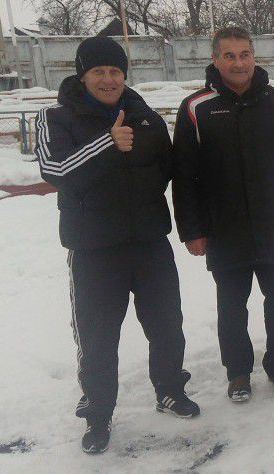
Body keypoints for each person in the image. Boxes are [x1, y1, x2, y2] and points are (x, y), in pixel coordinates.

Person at [35, 36, 199, 455]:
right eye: (98, 72)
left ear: (124, 75)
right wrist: (106, 143)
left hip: (148, 244)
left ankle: (168, 389)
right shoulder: (56, 116)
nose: (108, 79)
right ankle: (98, 413)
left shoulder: (147, 118)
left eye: (114, 72)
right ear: (82, 75)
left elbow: (168, 171)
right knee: (98, 337)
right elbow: (54, 169)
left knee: (166, 324)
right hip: (94, 251)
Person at [172, 27, 274, 403]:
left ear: (254, 57)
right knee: (231, 304)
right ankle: (238, 372)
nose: (238, 63)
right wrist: (192, 229)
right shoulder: (197, 108)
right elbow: (184, 174)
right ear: (216, 60)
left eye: (244, 54)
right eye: (229, 55)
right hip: (224, 228)